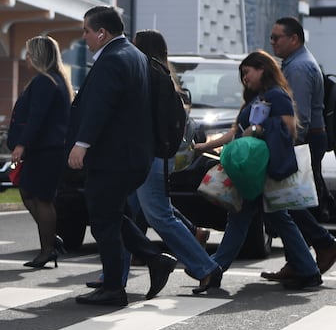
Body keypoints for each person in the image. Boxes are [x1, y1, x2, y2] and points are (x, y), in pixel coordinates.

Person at [192, 50, 323, 289]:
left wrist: (258, 129)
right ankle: (215, 269)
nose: (245, 78)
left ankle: (214, 269)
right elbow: (237, 131)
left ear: (262, 69)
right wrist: (206, 146)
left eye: (247, 72)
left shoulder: (276, 95)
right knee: (250, 218)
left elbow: (289, 129)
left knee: (255, 219)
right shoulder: (257, 97)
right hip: (252, 168)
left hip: (263, 168)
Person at [67, 6, 161, 308]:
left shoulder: (113, 59)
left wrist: (81, 144)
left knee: (103, 220)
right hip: (131, 155)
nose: (83, 37)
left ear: (101, 33)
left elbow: (101, 107)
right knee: (111, 214)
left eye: (86, 31)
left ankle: (113, 288)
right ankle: (155, 260)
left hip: (113, 157)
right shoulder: (134, 55)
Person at [122, 30, 223, 295]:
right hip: (152, 156)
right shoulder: (162, 74)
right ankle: (113, 276)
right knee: (126, 214)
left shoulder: (149, 75)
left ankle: (206, 268)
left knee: (158, 215)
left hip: (148, 156)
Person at [264, 17, 336, 280]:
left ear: (294, 39)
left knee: (289, 201)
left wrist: (287, 148)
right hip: (307, 138)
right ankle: (297, 260)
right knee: (289, 201)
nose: (272, 42)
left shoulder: (299, 67)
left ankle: (323, 243)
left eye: (276, 37)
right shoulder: (296, 63)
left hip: (302, 140)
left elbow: (300, 116)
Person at [7, 35, 71, 269]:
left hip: (46, 149)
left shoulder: (45, 81)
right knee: (28, 191)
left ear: (38, 56)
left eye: (29, 53)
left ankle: (47, 249)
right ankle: (50, 239)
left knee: (41, 198)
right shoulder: (56, 79)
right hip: (46, 148)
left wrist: (21, 144)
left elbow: (37, 117)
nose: (26, 58)